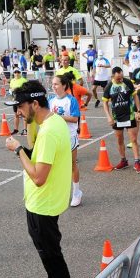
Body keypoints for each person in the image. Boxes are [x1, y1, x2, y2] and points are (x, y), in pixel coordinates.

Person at [4, 80, 74, 278]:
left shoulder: (48, 132)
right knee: (50, 249)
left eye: (21, 107)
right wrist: (27, 150)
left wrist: (18, 151)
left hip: (42, 204)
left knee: (50, 254)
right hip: (50, 200)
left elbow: (38, 177)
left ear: (34, 103)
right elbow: (43, 159)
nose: (18, 112)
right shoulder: (54, 122)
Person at [102, 66, 140, 173]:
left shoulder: (128, 82)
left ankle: (137, 162)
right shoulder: (109, 86)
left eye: (121, 77)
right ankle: (123, 160)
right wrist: (108, 117)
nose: (120, 79)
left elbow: (135, 97)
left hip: (129, 115)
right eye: (118, 78)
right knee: (120, 140)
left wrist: (138, 111)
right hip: (117, 118)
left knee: (133, 139)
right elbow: (105, 103)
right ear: (113, 76)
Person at [49, 75, 82, 207]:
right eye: (53, 84)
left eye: (56, 84)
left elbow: (75, 119)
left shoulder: (71, 100)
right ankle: (60, 193)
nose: (54, 86)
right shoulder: (50, 100)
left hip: (69, 136)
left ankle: (76, 192)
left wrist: (58, 117)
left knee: (72, 165)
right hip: (55, 137)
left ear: (64, 85)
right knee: (56, 166)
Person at [9, 68, 28, 135]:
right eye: (15, 72)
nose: (17, 73)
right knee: (16, 115)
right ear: (13, 73)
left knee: (24, 115)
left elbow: (27, 90)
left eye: (18, 72)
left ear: (20, 73)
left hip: (22, 100)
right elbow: (11, 89)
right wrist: (12, 91)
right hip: (15, 100)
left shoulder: (24, 80)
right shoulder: (12, 80)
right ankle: (16, 129)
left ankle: (25, 129)